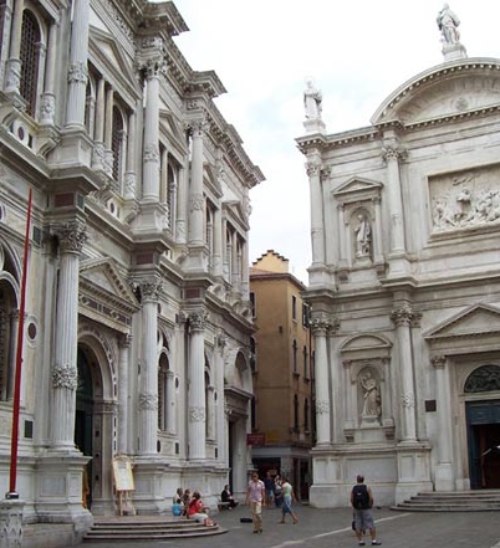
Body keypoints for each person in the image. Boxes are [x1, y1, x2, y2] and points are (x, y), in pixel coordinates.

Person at [351, 475, 382, 546]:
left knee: (358, 525)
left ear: (357, 480)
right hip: (366, 508)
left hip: (357, 509)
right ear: (363, 480)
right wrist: (370, 505)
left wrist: (354, 507)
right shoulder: (367, 487)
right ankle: (373, 540)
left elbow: (351, 499)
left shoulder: (354, 488)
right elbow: (371, 498)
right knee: (371, 524)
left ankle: (360, 541)